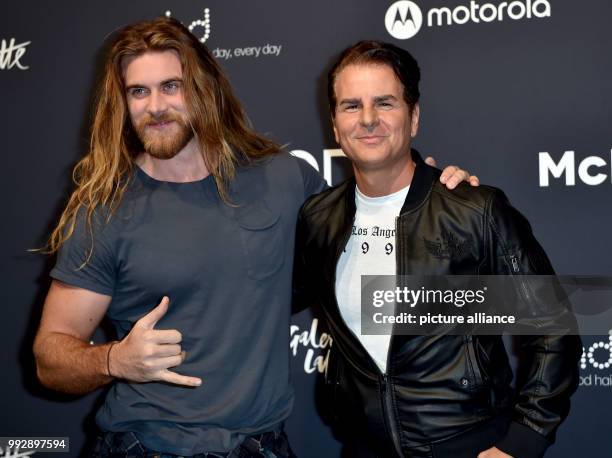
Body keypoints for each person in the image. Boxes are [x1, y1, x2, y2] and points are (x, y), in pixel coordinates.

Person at [32, 19, 474, 457]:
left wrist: (433, 197)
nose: (156, 106)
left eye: (171, 86)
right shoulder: (104, 210)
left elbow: (369, 262)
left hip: (262, 445)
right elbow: (50, 356)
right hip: (146, 445)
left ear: (204, 88)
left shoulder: (284, 178)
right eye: (138, 92)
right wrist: (113, 360)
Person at [294, 41, 581, 458]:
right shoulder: (318, 218)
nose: (369, 119)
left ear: (413, 117)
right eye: (352, 106)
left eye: (385, 103)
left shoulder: (473, 210)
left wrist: (523, 440)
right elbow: (266, 297)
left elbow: (554, 328)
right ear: (335, 126)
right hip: (363, 447)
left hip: (468, 444)